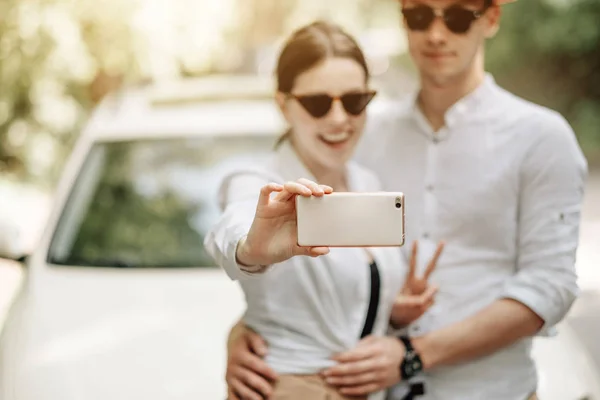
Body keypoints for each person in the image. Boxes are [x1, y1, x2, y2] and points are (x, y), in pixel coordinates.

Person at [219, 0, 589, 399]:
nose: (436, 33)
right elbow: (308, 269)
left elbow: (551, 286)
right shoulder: (362, 133)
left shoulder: (542, 137)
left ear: (493, 17)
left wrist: (415, 354)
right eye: (418, 16)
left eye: (459, 17)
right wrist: (254, 330)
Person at [204, 21, 445, 400]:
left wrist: (389, 309)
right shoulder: (258, 182)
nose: (338, 119)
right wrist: (252, 248)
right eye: (317, 103)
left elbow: (338, 307)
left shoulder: (366, 181)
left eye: (354, 101)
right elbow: (231, 231)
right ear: (283, 104)